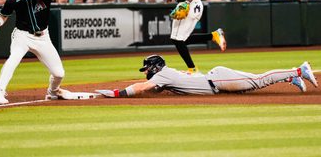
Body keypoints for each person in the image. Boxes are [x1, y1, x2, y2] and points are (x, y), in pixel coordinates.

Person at [0, 0, 70, 105]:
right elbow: (3, 14)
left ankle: (53, 92)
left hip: (43, 37)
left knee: (59, 73)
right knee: (13, 59)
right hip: (22, 36)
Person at [96, 55, 319, 98]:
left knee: (257, 81)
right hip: (217, 77)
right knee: (255, 80)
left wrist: (117, 93)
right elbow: (149, 87)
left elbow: (142, 87)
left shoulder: (162, 75)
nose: (145, 72)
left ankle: (298, 71)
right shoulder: (164, 76)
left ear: (155, 67)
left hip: (217, 80)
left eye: (146, 68)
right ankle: (290, 78)